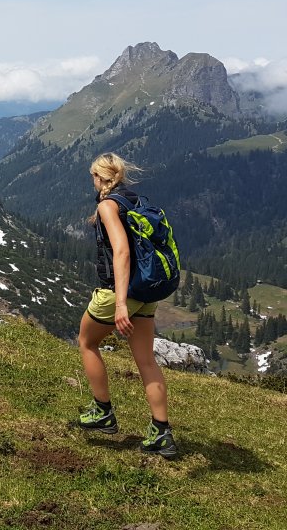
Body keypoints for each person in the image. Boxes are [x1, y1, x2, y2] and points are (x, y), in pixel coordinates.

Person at [76, 152, 177, 458]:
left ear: (99, 177)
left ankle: (102, 411)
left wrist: (120, 303)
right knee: (146, 360)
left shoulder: (108, 206)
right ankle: (162, 433)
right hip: (146, 291)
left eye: (93, 176)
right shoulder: (136, 200)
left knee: (87, 342)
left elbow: (121, 252)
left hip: (120, 292)